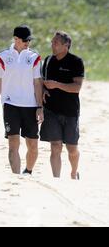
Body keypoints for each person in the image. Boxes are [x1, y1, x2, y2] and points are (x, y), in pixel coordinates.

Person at [0, 25, 44, 175]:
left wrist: (40, 106)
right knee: (13, 142)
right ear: (16, 39)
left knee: (32, 144)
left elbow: (37, 82)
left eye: (29, 40)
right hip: (10, 104)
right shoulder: (3, 56)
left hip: (30, 105)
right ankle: (16, 177)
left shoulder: (34, 57)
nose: (28, 43)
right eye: (25, 40)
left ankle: (28, 171)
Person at [40, 31, 84, 180]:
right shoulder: (47, 61)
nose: (52, 45)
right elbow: (41, 82)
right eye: (52, 42)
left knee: (71, 148)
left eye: (56, 43)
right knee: (55, 146)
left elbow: (77, 87)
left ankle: (73, 172)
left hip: (70, 111)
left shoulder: (76, 62)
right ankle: (56, 179)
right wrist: (44, 90)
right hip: (51, 110)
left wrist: (57, 85)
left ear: (66, 45)